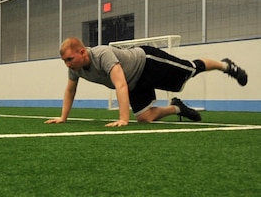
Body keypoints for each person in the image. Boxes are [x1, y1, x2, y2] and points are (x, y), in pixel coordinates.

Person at [45, 37, 247, 127]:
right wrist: (63, 117)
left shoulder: (102, 54)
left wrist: (124, 118)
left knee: (190, 69)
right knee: (145, 117)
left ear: (82, 52)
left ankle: (226, 66)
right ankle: (177, 108)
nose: (67, 65)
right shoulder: (76, 69)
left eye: (69, 59)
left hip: (147, 63)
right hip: (135, 84)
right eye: (64, 61)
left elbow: (120, 84)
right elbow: (70, 91)